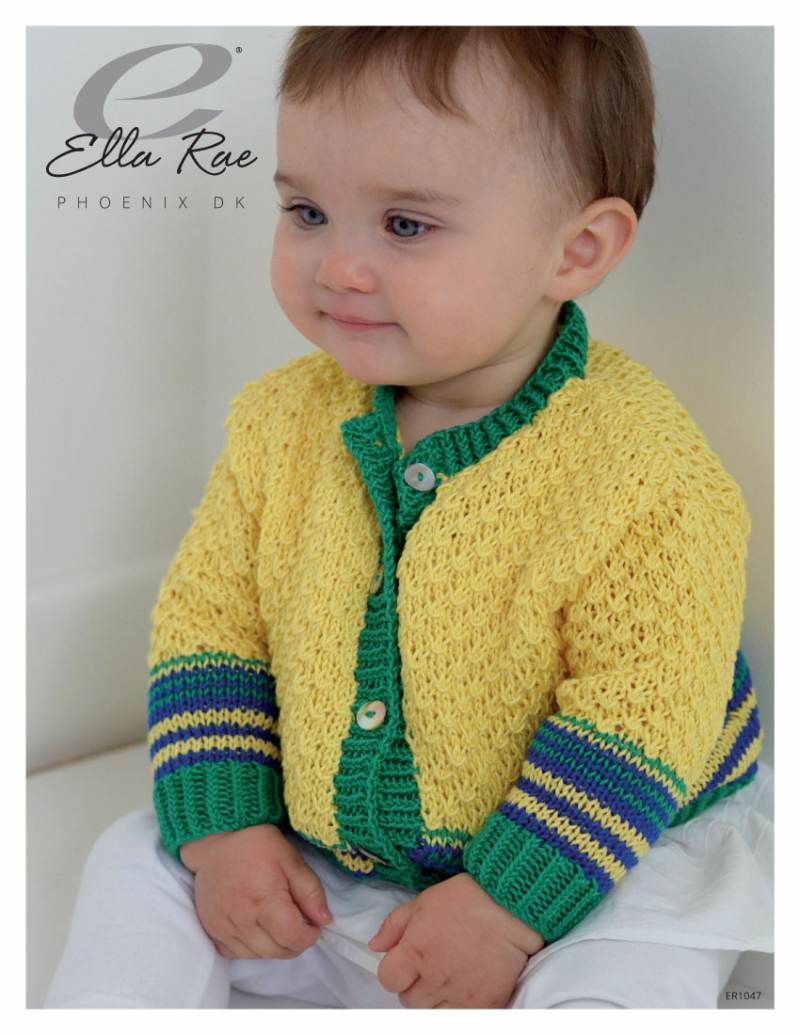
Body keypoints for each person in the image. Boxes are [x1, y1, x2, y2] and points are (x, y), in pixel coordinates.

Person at [45, 26, 773, 1009]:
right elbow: (211, 620)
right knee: (140, 858)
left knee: (629, 973)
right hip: (333, 856)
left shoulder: (643, 472)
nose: (337, 266)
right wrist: (229, 828)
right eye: (306, 211)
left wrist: (506, 907)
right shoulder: (278, 425)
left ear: (577, 249)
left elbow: (641, 714)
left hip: (597, 856)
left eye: (405, 225)